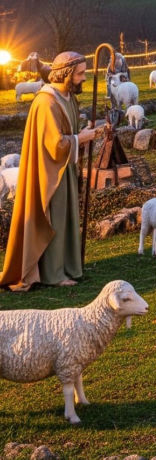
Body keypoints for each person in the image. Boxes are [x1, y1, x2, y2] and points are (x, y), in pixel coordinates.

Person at [1, 51, 98, 291]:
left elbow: (70, 129)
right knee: (54, 217)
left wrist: (85, 132)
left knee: (66, 217)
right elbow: (55, 145)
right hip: (49, 173)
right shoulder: (46, 102)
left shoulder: (67, 97)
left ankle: (67, 265)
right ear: (65, 74)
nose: (84, 78)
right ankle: (52, 273)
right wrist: (80, 138)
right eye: (80, 73)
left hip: (64, 170)